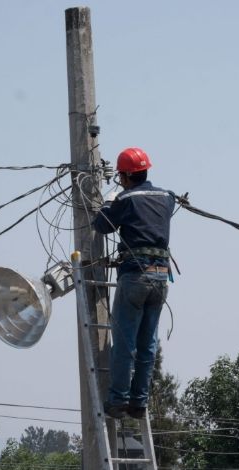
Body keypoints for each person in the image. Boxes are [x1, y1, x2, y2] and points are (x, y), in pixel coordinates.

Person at [92, 147, 175, 420]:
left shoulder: (126, 199)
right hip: (161, 277)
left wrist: (108, 202)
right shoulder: (166, 197)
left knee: (126, 342)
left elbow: (102, 225)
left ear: (126, 175)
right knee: (148, 343)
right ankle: (139, 403)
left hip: (136, 276)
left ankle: (118, 400)